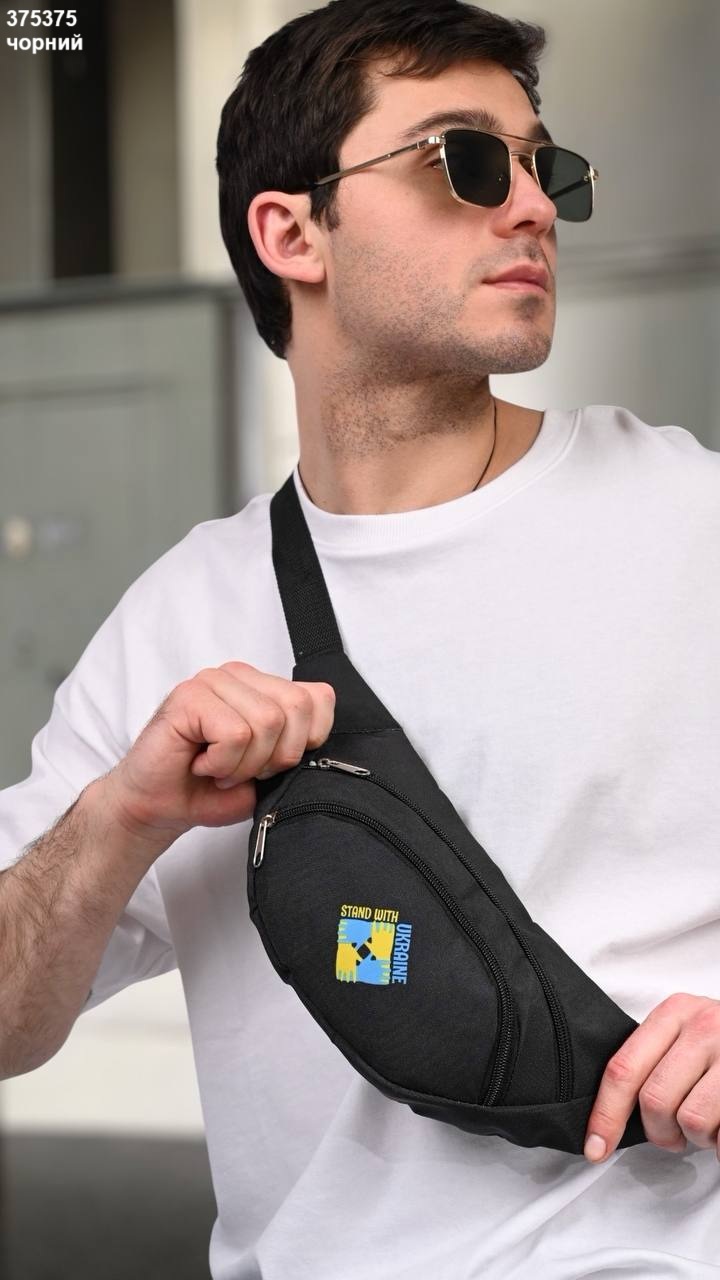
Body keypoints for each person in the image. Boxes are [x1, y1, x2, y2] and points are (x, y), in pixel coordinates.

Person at [1, 0, 718, 1275]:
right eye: (465, 160)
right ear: (292, 232)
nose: (533, 207)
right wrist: (120, 814)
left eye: (543, 167)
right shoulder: (181, 616)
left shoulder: (689, 519)